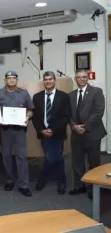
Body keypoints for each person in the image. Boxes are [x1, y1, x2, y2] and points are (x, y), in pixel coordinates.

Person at [0, 70, 34, 197]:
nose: (11, 80)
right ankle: (10, 180)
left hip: (19, 130)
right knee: (6, 156)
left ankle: (24, 184)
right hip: (4, 130)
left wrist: (27, 117)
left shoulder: (23, 93)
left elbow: (30, 110)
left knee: (21, 157)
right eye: (9, 78)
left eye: (13, 78)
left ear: (17, 80)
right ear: (5, 80)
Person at [68, 70, 106, 199]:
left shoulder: (97, 92)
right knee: (77, 161)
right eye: (79, 77)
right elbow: (68, 114)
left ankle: (93, 188)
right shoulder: (70, 95)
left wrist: (85, 126)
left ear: (88, 78)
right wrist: (74, 126)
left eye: (84, 77)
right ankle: (79, 186)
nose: (82, 79)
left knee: (93, 162)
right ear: (75, 79)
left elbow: (98, 111)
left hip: (92, 132)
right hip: (76, 133)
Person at [32, 71, 70, 194]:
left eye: (50, 79)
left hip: (57, 133)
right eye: (46, 79)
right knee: (53, 157)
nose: (48, 81)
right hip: (44, 134)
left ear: (55, 80)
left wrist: (53, 129)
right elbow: (35, 117)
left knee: (55, 158)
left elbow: (65, 116)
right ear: (43, 82)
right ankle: (59, 181)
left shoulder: (63, 96)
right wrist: (41, 130)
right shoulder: (37, 97)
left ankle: (47, 180)